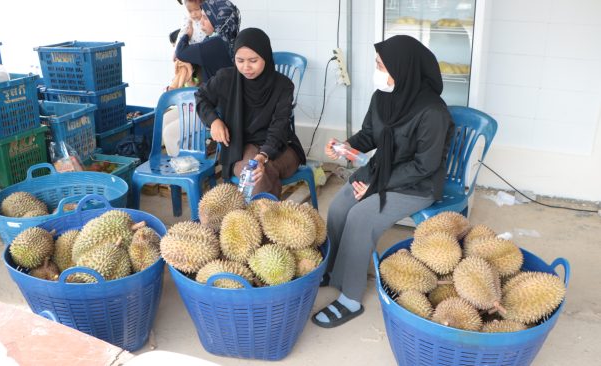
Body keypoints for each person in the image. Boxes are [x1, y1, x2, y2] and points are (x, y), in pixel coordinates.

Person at [312, 35, 455, 328]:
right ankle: (332, 271)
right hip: (381, 170)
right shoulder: (383, 97)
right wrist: (345, 145)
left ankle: (350, 296)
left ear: (403, 69)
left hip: (417, 183)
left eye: (381, 65)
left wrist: (377, 184)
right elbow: (369, 135)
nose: (377, 70)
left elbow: (424, 166)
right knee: (340, 206)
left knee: (362, 217)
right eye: (377, 63)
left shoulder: (433, 112)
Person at [195, 28, 306, 197]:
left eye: (253, 60)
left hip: (281, 144)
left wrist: (262, 157)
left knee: (259, 172)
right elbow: (201, 97)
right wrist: (214, 121)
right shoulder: (226, 78)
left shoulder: (283, 85)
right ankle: (270, 219)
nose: (246, 67)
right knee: (255, 175)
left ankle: (257, 219)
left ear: (266, 58)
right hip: (242, 145)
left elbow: (280, 125)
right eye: (240, 60)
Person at [163, 0, 240, 158]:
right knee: (165, 120)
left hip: (215, 110)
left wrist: (186, 34)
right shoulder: (229, 39)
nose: (199, 21)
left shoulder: (214, 45)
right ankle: (190, 161)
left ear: (217, 21)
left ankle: (184, 173)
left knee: (170, 133)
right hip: (210, 101)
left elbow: (181, 52)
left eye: (205, 18)